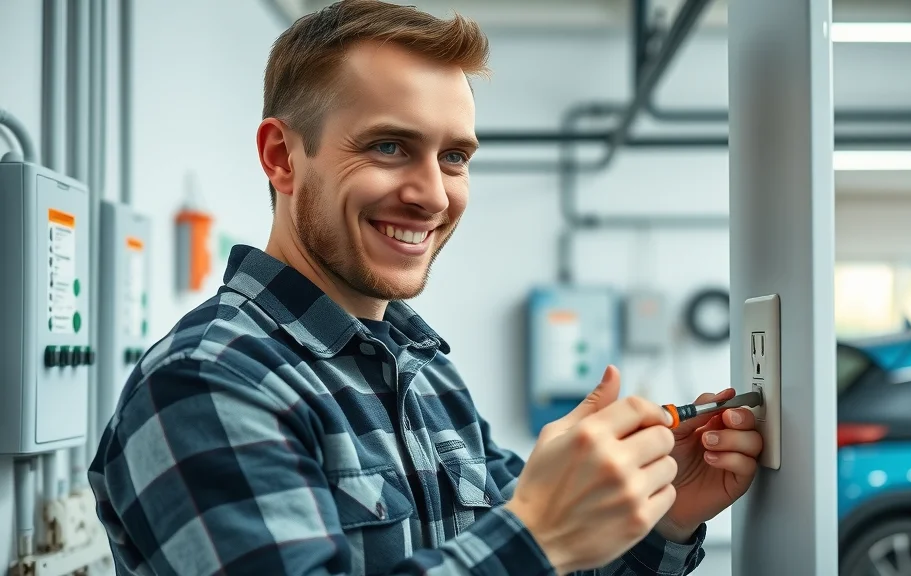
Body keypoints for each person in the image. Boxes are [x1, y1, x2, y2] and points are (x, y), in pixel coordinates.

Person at [88, 1, 764, 574]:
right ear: (281, 156)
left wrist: (661, 517)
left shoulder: (423, 370)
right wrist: (537, 532)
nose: (432, 195)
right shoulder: (208, 382)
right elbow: (527, 553)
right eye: (388, 147)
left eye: (455, 157)